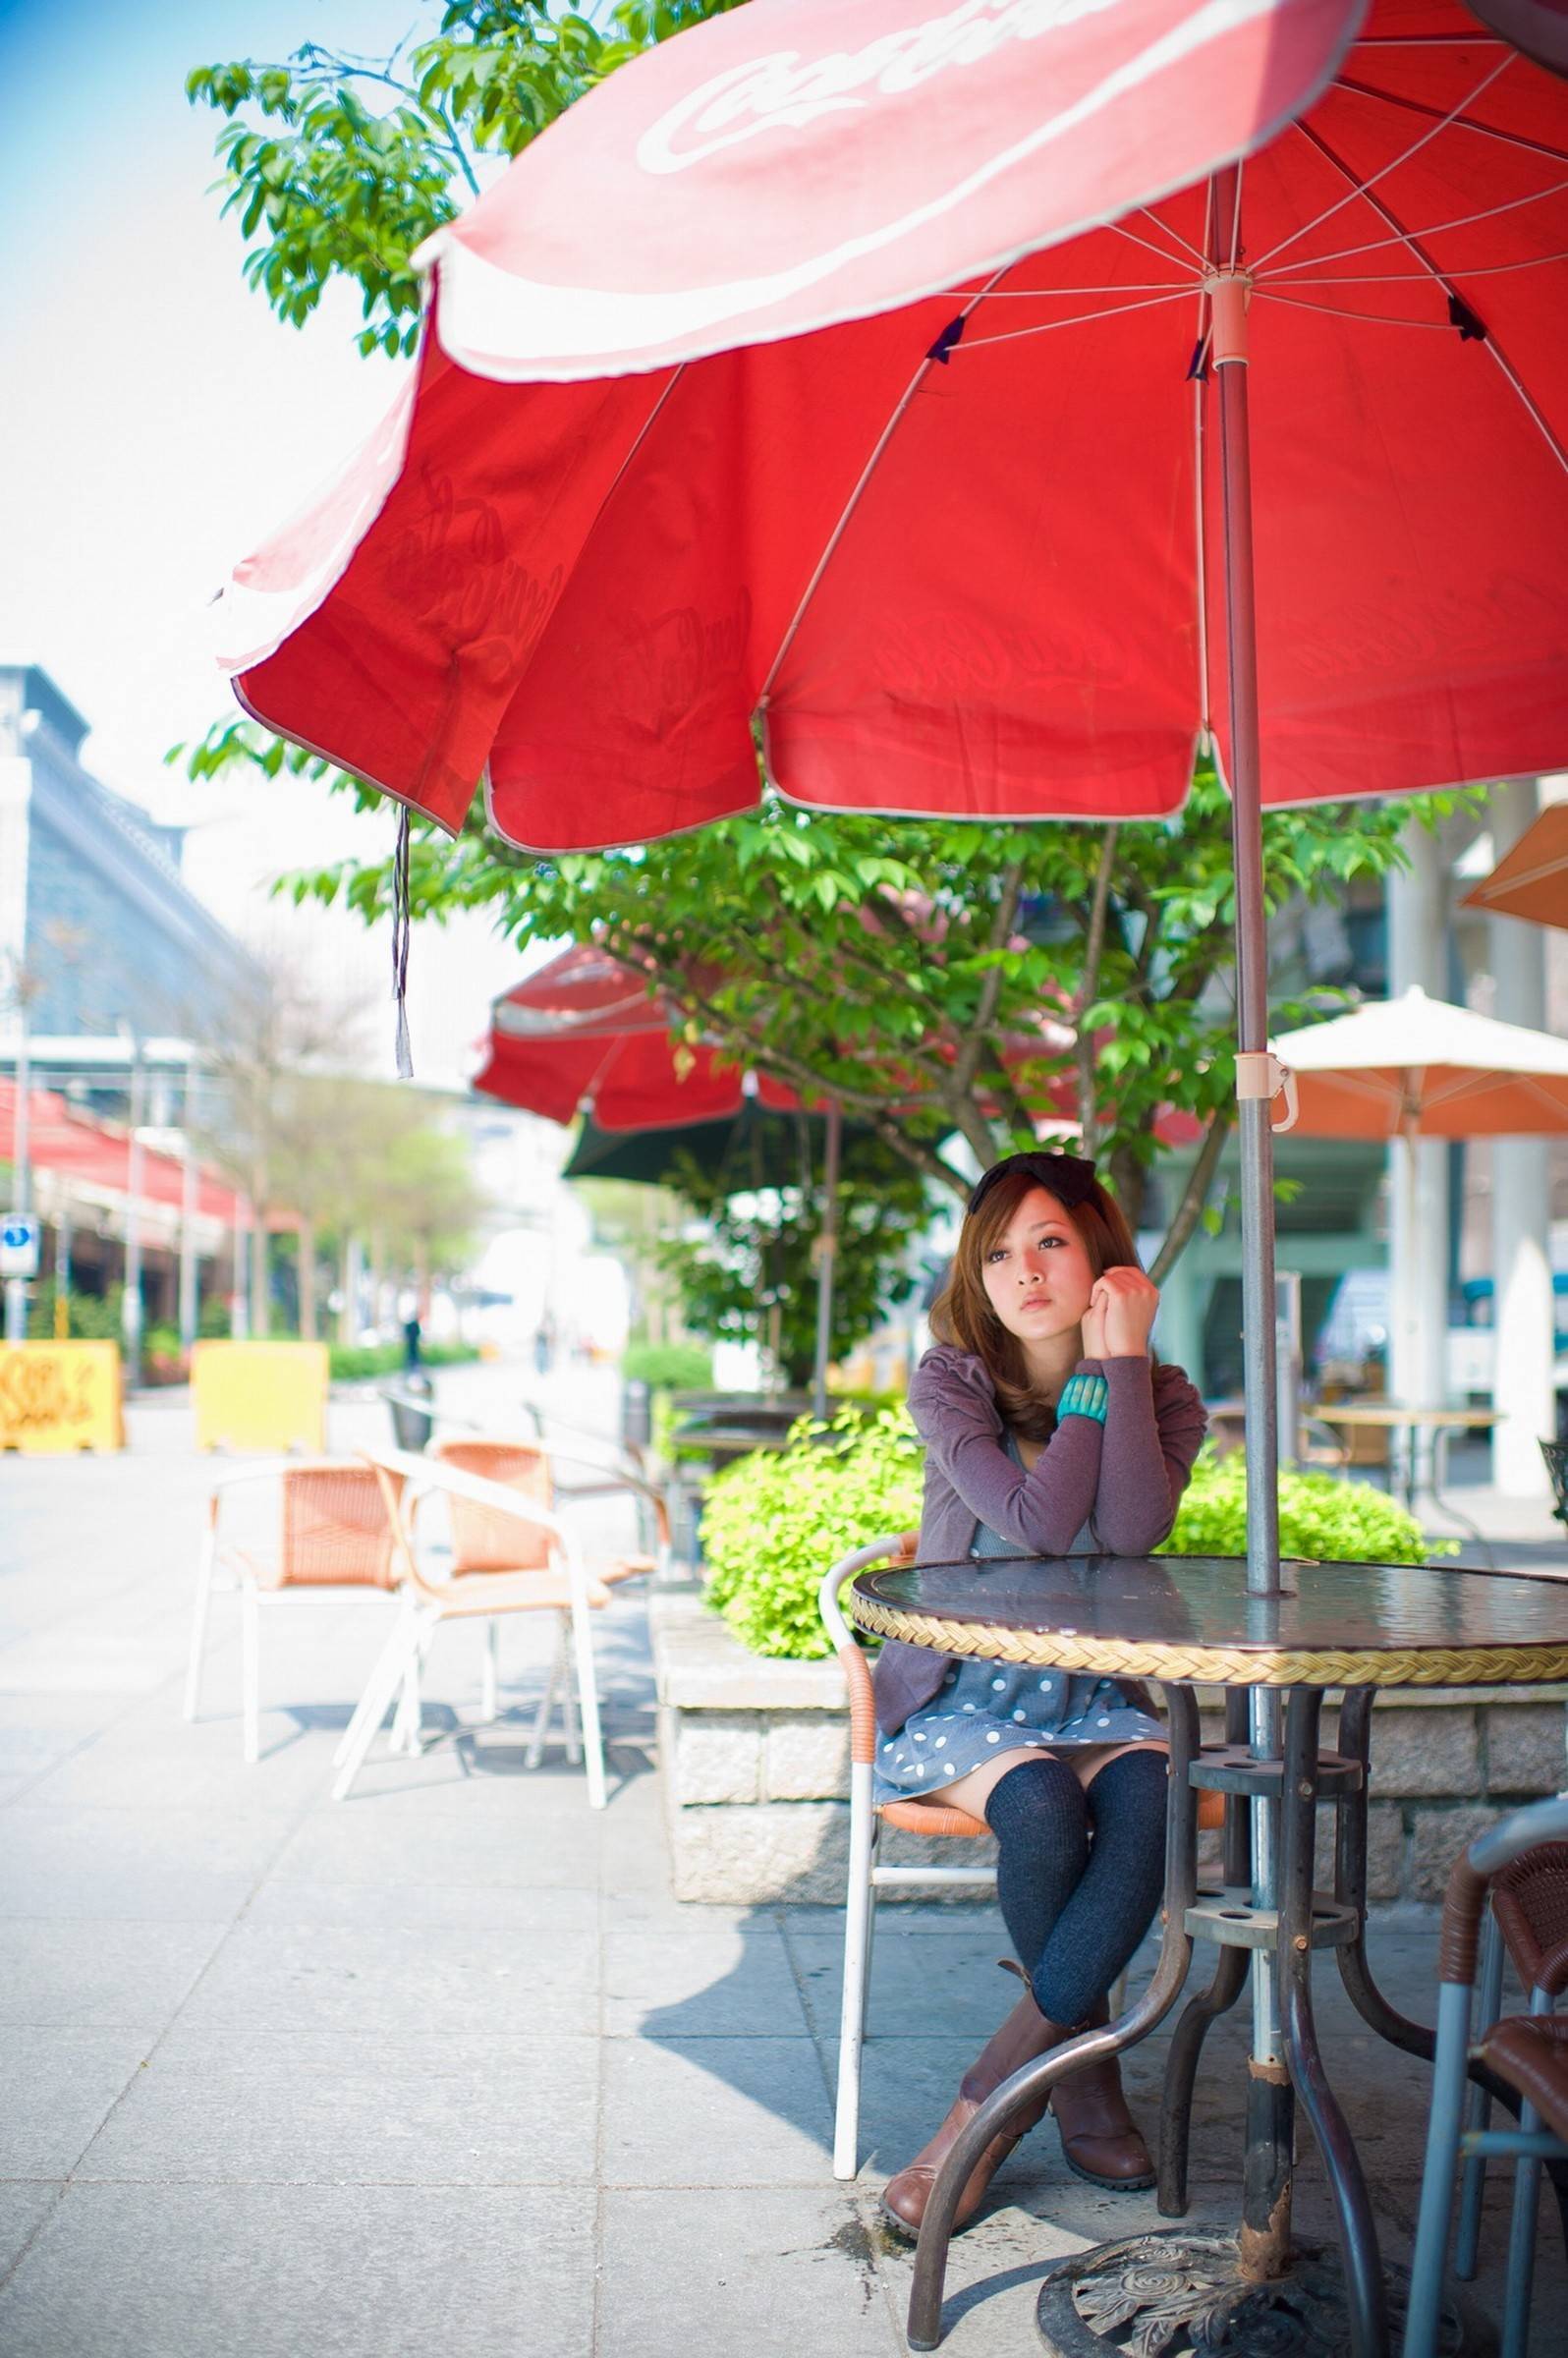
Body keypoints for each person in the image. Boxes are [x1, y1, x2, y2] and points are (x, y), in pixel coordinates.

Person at [874, 1149, 1207, 2239]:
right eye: (1000, 1251)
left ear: (1102, 1256)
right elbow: (1039, 1520)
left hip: (1094, 1698)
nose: (1023, 1271)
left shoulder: (1164, 1395)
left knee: (1153, 1799)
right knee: (1042, 1807)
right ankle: (1086, 2074)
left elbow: (1129, 1530)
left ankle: (996, 2092)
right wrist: (1091, 1382)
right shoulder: (950, 1378)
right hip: (965, 1697)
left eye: (1051, 1241)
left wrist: (1119, 1366)